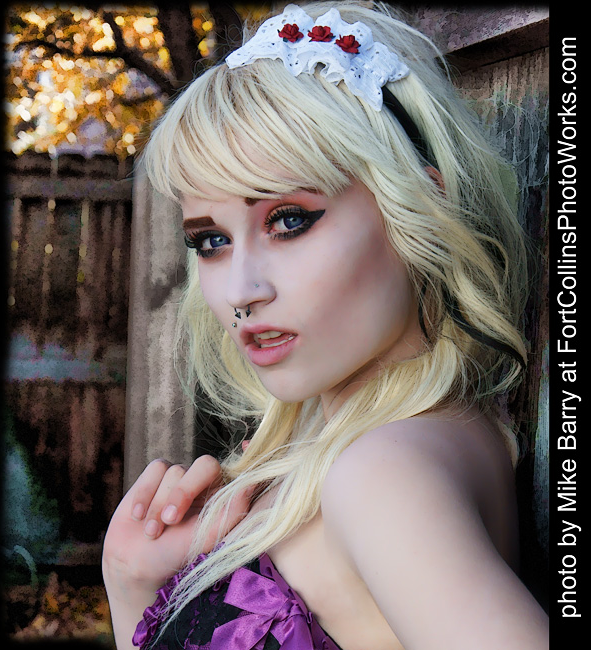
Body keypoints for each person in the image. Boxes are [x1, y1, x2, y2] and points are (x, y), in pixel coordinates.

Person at [102, 2, 549, 649]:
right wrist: (134, 588)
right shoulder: (379, 445)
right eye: (211, 241)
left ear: (421, 204)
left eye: (289, 221)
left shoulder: (383, 474)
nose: (241, 291)